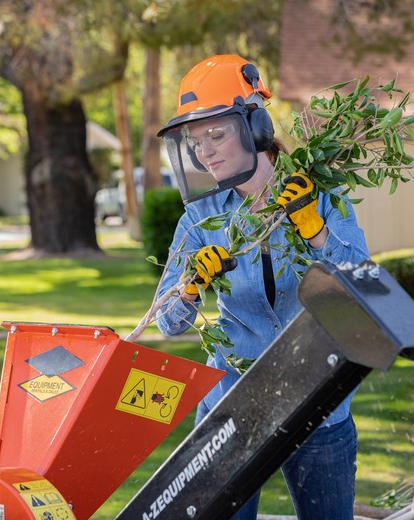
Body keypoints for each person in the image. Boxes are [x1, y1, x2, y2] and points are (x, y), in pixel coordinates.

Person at [154, 54, 371, 520]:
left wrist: (317, 234)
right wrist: (189, 289)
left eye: (216, 134)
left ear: (256, 126)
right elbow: (169, 323)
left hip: (319, 398)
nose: (205, 152)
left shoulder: (322, 196)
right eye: (196, 141)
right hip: (232, 406)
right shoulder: (199, 220)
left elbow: (364, 288)